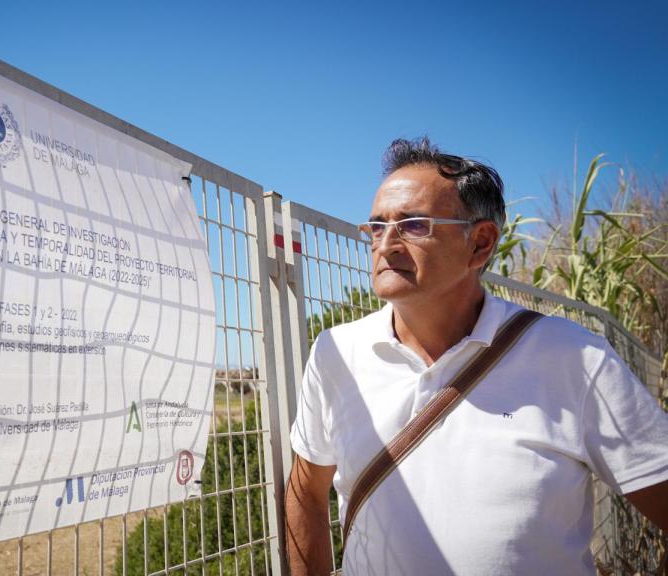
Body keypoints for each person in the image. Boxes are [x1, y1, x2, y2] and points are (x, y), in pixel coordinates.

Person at [285, 137, 668, 575]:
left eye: (412, 225)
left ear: (480, 244)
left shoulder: (575, 359)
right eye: (376, 226)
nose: (385, 244)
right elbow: (305, 493)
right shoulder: (336, 353)